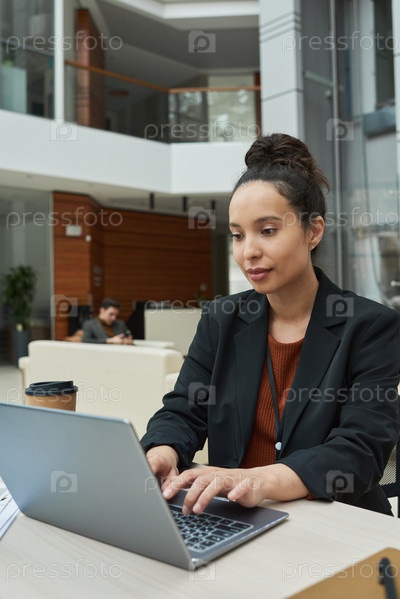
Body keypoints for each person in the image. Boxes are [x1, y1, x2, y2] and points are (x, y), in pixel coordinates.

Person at [141, 133, 400, 516]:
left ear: (313, 231)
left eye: (267, 230)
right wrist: (162, 450)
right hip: (236, 516)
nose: (249, 251)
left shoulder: (370, 326)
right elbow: (183, 411)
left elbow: (360, 451)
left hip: (333, 521)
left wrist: (259, 481)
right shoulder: (221, 319)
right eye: (237, 235)